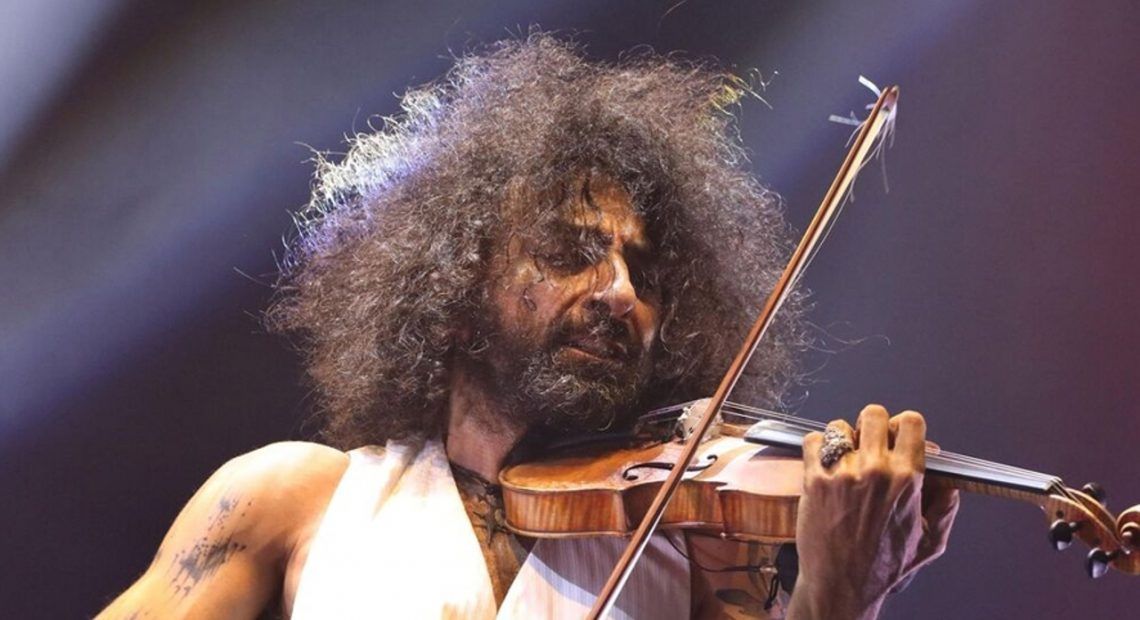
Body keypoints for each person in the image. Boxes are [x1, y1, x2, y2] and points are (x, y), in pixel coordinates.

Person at [97, 35, 958, 619]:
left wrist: (843, 593)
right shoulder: (290, 499)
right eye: (570, 252)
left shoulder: (696, 553)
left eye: (645, 272)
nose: (620, 291)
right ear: (453, 288)